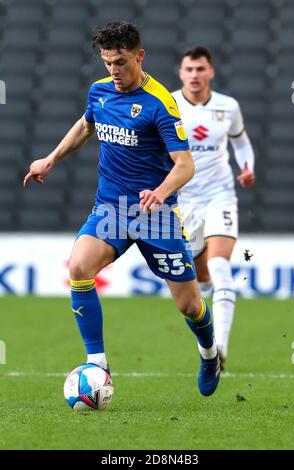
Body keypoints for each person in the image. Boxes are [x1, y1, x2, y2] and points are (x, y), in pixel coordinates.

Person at [23, 23, 220, 397]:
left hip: (156, 215)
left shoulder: (160, 103)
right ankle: (97, 363)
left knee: (189, 305)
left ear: (139, 56)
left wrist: (161, 192)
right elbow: (85, 126)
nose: (114, 70)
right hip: (111, 208)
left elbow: (185, 164)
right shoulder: (99, 91)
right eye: (108, 62)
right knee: (79, 266)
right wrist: (50, 159)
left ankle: (209, 352)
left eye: (121, 62)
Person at [172, 47, 255, 370]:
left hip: (220, 195)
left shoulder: (228, 107)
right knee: (200, 277)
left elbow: (241, 142)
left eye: (200, 69)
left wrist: (246, 167)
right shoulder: (169, 105)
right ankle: (206, 298)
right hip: (184, 199)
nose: (194, 75)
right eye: (189, 69)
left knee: (220, 265)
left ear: (211, 72)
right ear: (181, 74)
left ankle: (219, 347)